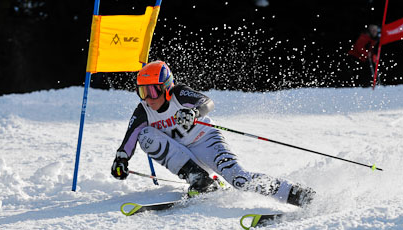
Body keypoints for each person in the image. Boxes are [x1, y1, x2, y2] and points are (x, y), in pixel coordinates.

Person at [111, 61, 315, 207]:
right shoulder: (143, 110)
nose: (148, 98)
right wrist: (121, 160)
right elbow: (130, 136)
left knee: (239, 179)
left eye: (152, 91)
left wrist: (193, 112)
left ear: (166, 87)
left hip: (206, 141)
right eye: (142, 92)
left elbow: (206, 102)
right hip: (183, 156)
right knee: (145, 135)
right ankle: (200, 180)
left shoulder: (179, 94)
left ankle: (297, 194)